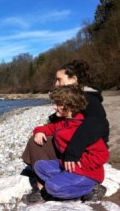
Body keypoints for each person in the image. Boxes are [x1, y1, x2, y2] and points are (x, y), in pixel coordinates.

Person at [21, 60, 109, 202]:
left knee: (38, 148)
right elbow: (58, 126)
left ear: (73, 80)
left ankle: (47, 188)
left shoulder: (88, 100)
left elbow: (95, 126)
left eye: (59, 80)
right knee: (37, 144)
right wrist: (40, 130)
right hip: (68, 151)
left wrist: (73, 154)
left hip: (83, 156)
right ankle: (43, 185)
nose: (56, 84)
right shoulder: (68, 108)